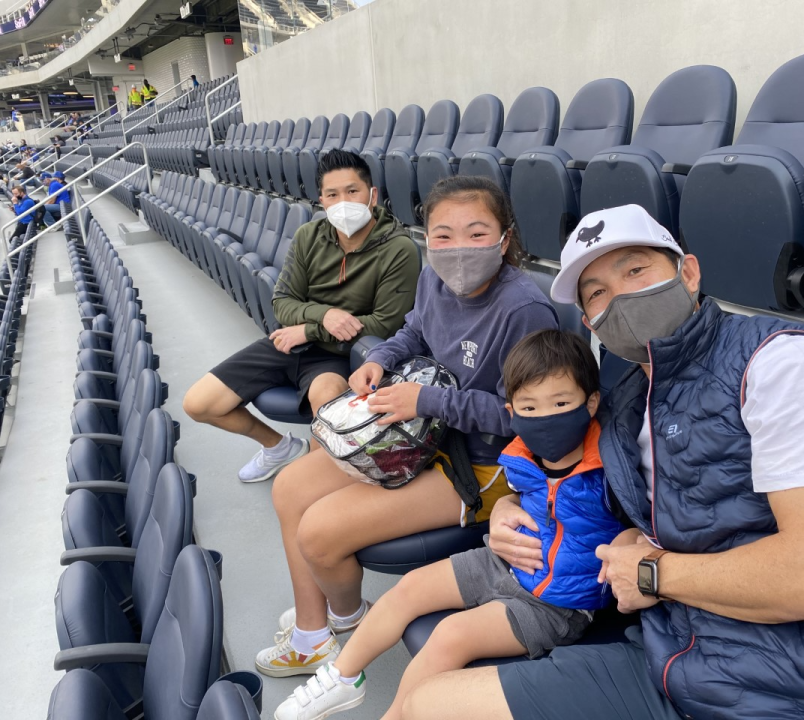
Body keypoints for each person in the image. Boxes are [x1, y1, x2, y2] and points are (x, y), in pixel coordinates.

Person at [399, 203, 804, 720]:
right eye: (598, 292)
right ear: (590, 323)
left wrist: (652, 573)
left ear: (688, 273)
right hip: (670, 653)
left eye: (635, 269)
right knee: (430, 704)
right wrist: (518, 504)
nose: (620, 297)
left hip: (797, 694)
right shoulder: (630, 397)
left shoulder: (783, 365)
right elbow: (599, 498)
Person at [257, 175, 558, 692]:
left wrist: (427, 401)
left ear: (505, 239)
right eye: (442, 234)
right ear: (426, 236)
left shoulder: (524, 310)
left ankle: (348, 622)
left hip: (482, 466)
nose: (457, 248)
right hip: (423, 433)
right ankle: (313, 637)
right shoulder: (435, 277)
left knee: (320, 532)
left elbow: (527, 419)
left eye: (476, 232)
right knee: (289, 487)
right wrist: (380, 358)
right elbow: (414, 329)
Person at [272, 329, 623, 720]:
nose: (545, 418)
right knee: (410, 588)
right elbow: (521, 500)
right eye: (530, 408)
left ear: (590, 403)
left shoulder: (611, 468)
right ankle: (341, 678)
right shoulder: (521, 453)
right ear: (512, 412)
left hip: (555, 603)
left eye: (560, 402)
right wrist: (506, 506)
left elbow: (633, 530)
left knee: (450, 636)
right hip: (504, 561)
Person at [183, 149, 421, 483]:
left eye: (352, 191)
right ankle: (278, 447)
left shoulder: (400, 248)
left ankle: (316, 477)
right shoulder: (309, 236)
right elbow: (282, 301)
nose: (343, 202)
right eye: (332, 194)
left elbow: (386, 324)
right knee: (199, 404)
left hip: (341, 354)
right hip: (289, 343)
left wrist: (310, 331)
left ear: (372, 195)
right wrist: (323, 318)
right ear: (321, 199)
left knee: (325, 402)